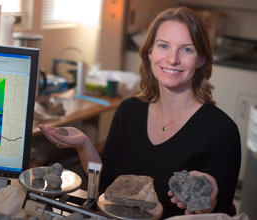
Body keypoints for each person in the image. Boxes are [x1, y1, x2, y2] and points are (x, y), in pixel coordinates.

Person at [39, 6, 241, 219]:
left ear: (201, 59)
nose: (172, 59)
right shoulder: (129, 111)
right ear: (149, 52)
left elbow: (220, 215)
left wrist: (205, 201)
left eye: (187, 49)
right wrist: (84, 146)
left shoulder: (222, 131)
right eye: (164, 46)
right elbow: (106, 189)